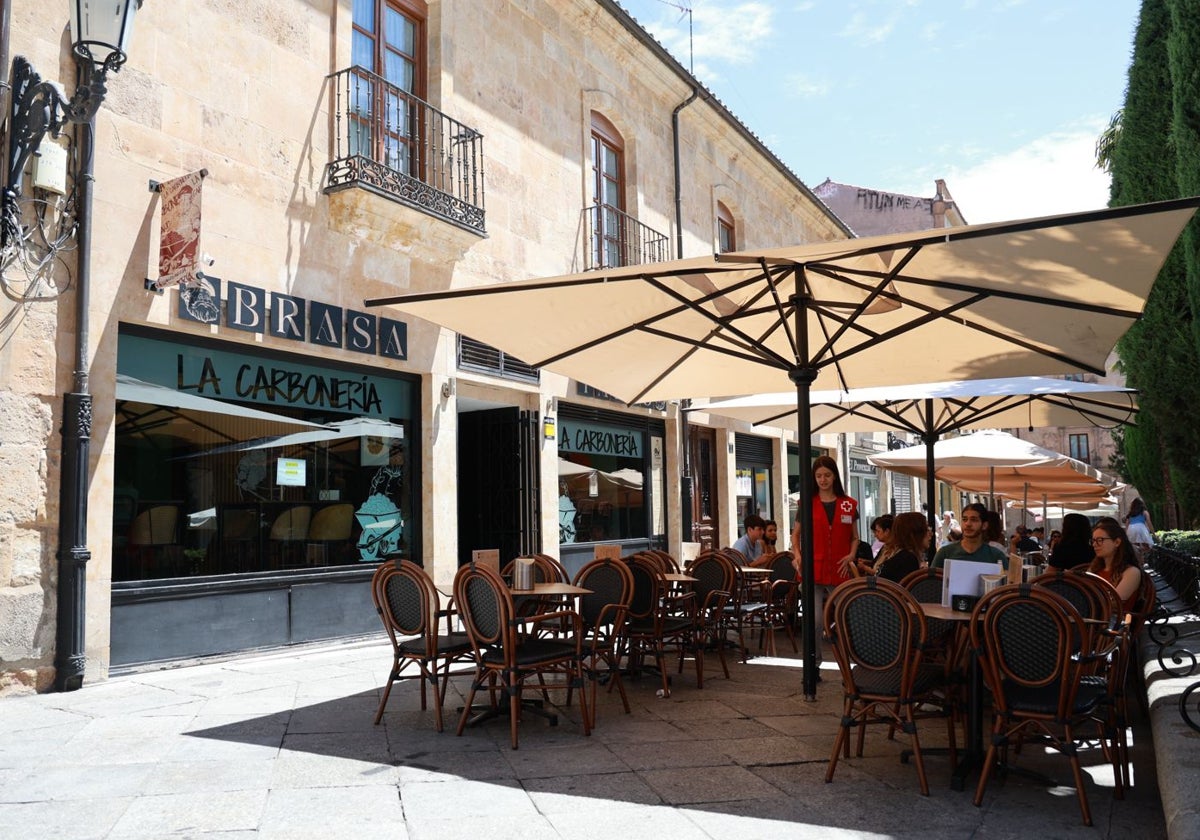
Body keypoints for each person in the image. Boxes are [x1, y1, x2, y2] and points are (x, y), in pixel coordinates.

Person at [791, 455, 860, 631]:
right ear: (814, 477)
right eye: (819, 475)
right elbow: (795, 535)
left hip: (839, 567)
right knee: (814, 620)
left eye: (827, 475)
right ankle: (815, 658)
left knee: (847, 614)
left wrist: (852, 555)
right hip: (812, 566)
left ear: (835, 476)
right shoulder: (806, 504)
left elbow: (855, 537)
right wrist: (797, 556)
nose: (823, 480)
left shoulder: (848, 504)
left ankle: (848, 655)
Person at [1088, 516, 1143, 611]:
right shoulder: (1094, 568)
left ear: (1117, 542)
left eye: (1100, 540)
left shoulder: (1131, 572)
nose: (1094, 544)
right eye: (1093, 540)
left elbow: (1114, 603)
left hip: (1114, 623)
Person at [931, 502, 1007, 570]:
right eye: (964, 519)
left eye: (974, 520)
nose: (968, 524)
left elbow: (1007, 583)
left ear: (984, 525)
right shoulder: (945, 553)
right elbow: (931, 583)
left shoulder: (996, 556)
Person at [863, 511, 926, 583]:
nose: (930, 533)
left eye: (878, 531)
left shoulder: (897, 556)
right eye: (926, 529)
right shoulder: (908, 559)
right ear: (916, 534)